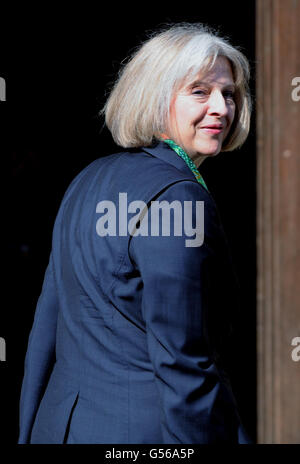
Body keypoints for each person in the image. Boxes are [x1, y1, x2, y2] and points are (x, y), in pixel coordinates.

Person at [18, 22, 253, 444]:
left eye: (229, 93)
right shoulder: (180, 196)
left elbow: (43, 335)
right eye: (200, 91)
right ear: (157, 95)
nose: (221, 107)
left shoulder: (87, 179)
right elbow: (184, 363)